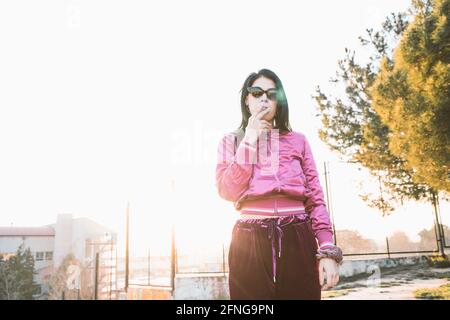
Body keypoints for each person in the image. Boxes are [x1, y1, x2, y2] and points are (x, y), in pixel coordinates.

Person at [215, 69, 343, 300]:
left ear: (279, 101)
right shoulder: (231, 141)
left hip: (298, 236)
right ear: (246, 99)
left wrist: (326, 250)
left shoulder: (298, 140)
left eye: (272, 94)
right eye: (256, 92)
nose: (264, 98)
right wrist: (250, 140)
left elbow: (315, 197)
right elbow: (227, 190)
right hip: (248, 239)